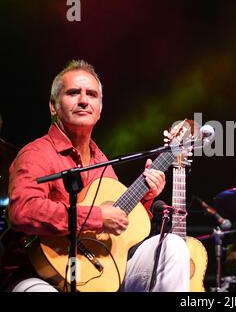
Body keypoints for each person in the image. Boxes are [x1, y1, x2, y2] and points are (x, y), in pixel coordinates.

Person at [0, 60, 190, 292]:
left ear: (99, 109)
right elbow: (22, 212)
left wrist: (146, 196)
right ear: (53, 106)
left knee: (173, 247)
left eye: (91, 94)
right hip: (39, 275)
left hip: (98, 271)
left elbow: (119, 224)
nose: (83, 100)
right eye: (73, 93)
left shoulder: (102, 162)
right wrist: (97, 217)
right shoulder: (36, 154)